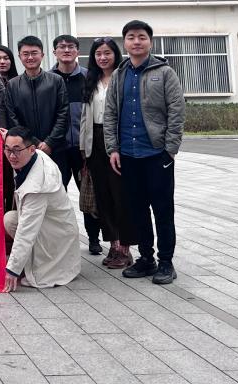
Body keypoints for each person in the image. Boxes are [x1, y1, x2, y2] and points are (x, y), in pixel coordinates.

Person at [104, 20, 185, 285]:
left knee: (163, 211)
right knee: (137, 211)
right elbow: (110, 113)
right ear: (124, 43)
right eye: (131, 37)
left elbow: (176, 111)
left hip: (157, 154)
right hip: (128, 154)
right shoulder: (119, 74)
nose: (136, 42)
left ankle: (166, 262)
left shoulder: (165, 73)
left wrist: (170, 150)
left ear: (150, 41)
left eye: (141, 37)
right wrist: (112, 148)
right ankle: (146, 258)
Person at [79, 37, 135, 269]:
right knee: (103, 197)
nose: (102, 58)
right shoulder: (91, 80)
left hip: (118, 142)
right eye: (98, 54)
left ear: (115, 55)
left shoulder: (124, 78)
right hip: (94, 142)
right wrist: (84, 150)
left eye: (107, 53)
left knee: (121, 196)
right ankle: (113, 244)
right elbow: (85, 117)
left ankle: (125, 248)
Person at [2, 128, 81, 290]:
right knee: (10, 219)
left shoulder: (38, 184)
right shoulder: (33, 155)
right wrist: (6, 136)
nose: (11, 156)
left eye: (16, 150)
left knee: (36, 273)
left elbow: (26, 231)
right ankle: (27, 260)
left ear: (32, 149)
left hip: (56, 235)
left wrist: (12, 269)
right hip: (48, 225)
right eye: (7, 149)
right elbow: (18, 143)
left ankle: (38, 265)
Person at [50, 34, 102, 255]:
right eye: (61, 47)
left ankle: (94, 239)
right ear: (54, 52)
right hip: (57, 149)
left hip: (83, 148)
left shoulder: (90, 77)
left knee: (89, 193)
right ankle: (57, 241)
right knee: (55, 196)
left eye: (71, 47)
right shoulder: (48, 79)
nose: (66, 50)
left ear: (77, 51)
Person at [5, 35, 69, 179]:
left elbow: (63, 114)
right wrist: (33, 143)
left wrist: (49, 143)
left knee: (57, 186)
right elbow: (12, 118)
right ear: (19, 57)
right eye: (25, 54)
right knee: (29, 188)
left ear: (42, 55)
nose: (30, 57)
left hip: (55, 149)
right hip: (25, 151)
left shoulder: (56, 81)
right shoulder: (12, 85)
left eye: (34, 53)